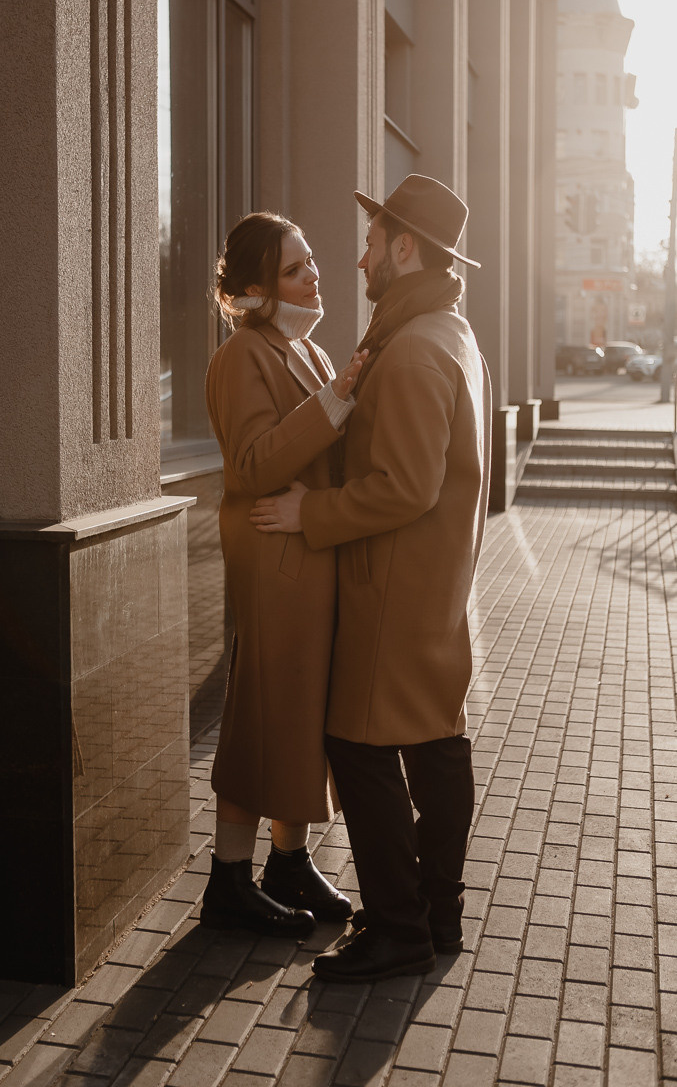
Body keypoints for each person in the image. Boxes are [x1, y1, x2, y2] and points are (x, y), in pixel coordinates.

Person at [250, 174, 492, 980]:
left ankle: (398, 929)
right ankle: (437, 915)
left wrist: (307, 514)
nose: (357, 260)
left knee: (355, 745)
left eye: (369, 241)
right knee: (436, 747)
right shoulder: (444, 332)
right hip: (431, 590)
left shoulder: (418, 347)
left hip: (392, 589)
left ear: (403, 247)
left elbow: (404, 486)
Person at [201, 210, 367, 938]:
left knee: (301, 716)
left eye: (311, 262)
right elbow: (250, 465)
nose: (314, 275)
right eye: (296, 268)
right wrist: (333, 404)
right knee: (262, 715)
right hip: (272, 565)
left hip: (309, 559)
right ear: (260, 287)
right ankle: (228, 880)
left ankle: (287, 860)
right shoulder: (241, 356)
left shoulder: (311, 352)